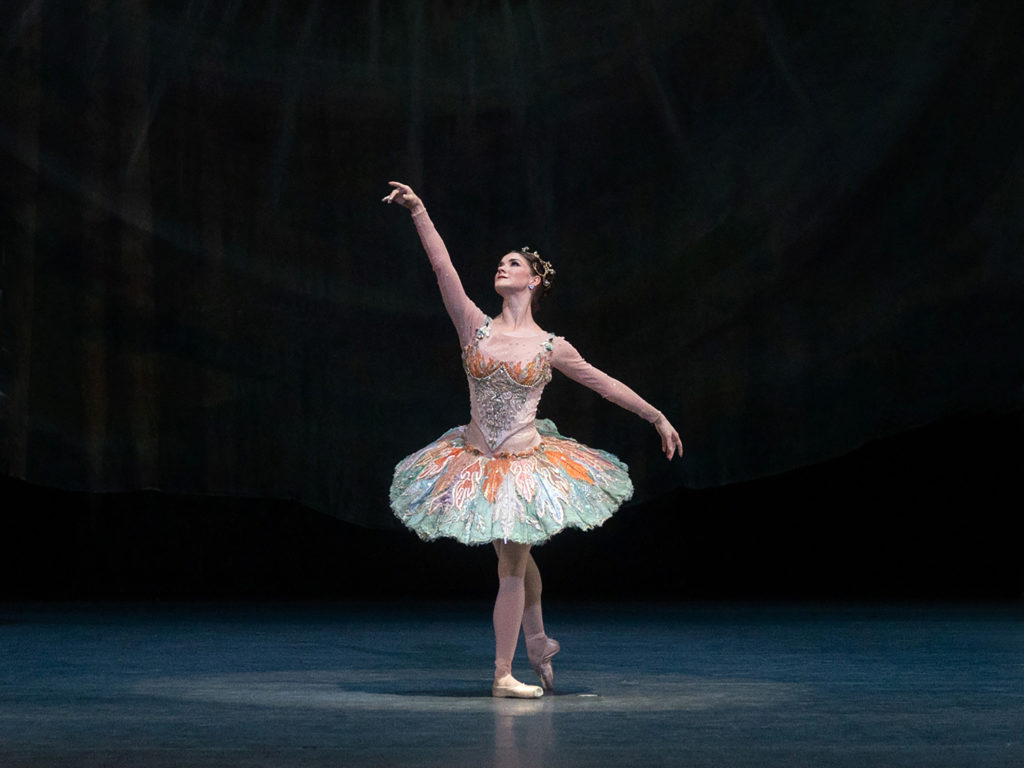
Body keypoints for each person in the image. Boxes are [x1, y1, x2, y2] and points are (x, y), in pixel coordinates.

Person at [383, 181, 683, 698]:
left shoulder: (551, 346)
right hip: (474, 458)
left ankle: (502, 673)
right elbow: (443, 269)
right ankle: (538, 642)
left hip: (523, 466)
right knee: (515, 560)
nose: (502, 268)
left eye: (514, 264)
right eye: (499, 263)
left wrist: (656, 416)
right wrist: (419, 210)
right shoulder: (473, 326)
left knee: (511, 564)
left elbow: (603, 383)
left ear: (536, 279)